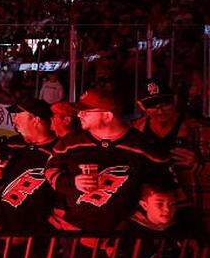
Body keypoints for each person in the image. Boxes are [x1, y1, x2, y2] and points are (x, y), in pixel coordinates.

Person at [45, 88, 171, 232]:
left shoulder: (144, 147)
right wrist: (72, 183)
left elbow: (163, 190)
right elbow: (51, 169)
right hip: (73, 230)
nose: (80, 115)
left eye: (86, 111)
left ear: (107, 116)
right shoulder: (70, 142)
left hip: (122, 235)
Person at [132, 80, 209, 224]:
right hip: (148, 212)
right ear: (142, 106)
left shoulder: (200, 130)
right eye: (153, 106)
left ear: (175, 100)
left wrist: (198, 164)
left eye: (165, 104)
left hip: (192, 206)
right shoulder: (135, 131)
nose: (160, 110)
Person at [0, 99, 58, 233]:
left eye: (18, 115)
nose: (14, 121)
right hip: (5, 229)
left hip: (40, 235)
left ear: (36, 119)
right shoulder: (11, 145)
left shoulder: (59, 151)